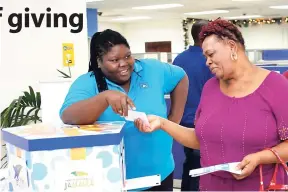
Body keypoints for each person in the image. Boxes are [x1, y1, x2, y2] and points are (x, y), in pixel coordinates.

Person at [135, 19, 288, 191]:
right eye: (205, 56)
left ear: (232, 47)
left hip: (260, 185)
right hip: (211, 186)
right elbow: (200, 140)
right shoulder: (210, 88)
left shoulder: (275, 85)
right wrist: (163, 123)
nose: (207, 62)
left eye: (211, 54)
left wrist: (260, 158)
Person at [59, 29, 189, 191]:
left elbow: (180, 76)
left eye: (127, 56)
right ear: (99, 61)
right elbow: (68, 116)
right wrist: (104, 97)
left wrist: (174, 119)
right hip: (114, 180)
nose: (124, 64)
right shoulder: (88, 83)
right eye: (114, 60)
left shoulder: (152, 69)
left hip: (159, 174)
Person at [173, 19, 213, 191]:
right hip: (205, 122)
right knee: (202, 165)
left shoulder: (179, 59)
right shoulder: (210, 60)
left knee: (190, 162)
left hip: (183, 121)